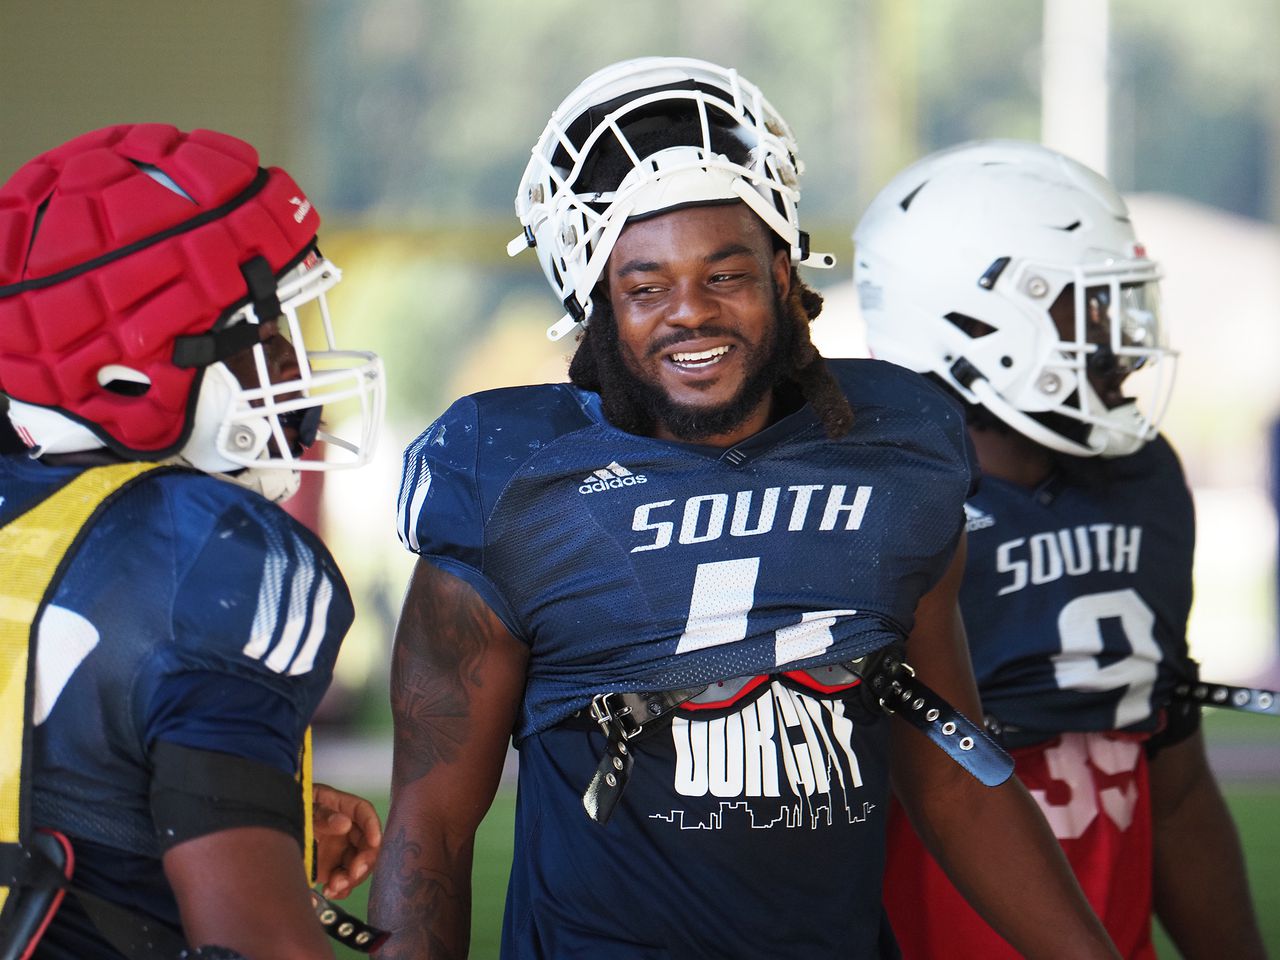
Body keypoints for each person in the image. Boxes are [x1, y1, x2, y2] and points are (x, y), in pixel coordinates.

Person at [370, 58, 1121, 960]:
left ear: (780, 270)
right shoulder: (515, 486)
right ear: (598, 302)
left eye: (724, 276)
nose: (691, 313)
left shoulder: (899, 452)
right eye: (646, 286)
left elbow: (954, 779)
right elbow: (433, 829)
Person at [855, 140, 1266, 959]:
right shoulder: (881, 506)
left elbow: (1172, 774)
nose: (1121, 343)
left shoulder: (1142, 478)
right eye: (1089, 307)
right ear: (974, 319)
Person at [0, 124, 386, 959]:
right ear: (134, 376)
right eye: (264, 335)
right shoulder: (208, 552)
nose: (293, 367)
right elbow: (256, 944)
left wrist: (195, 783)